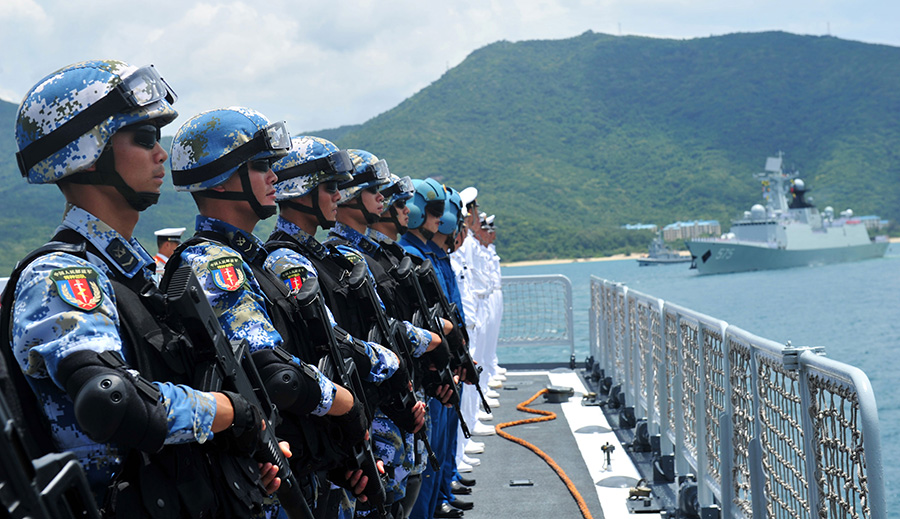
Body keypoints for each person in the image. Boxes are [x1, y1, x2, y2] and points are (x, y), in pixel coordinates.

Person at [6, 59, 282, 518]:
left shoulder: (140, 276)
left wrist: (238, 452)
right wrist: (229, 412)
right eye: (144, 138)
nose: (161, 153)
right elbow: (112, 401)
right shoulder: (61, 275)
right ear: (87, 151)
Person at [167, 108, 373, 511]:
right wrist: (347, 406)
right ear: (221, 178)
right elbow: (277, 375)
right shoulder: (215, 262)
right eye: (261, 166)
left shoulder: (250, 259)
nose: (275, 176)